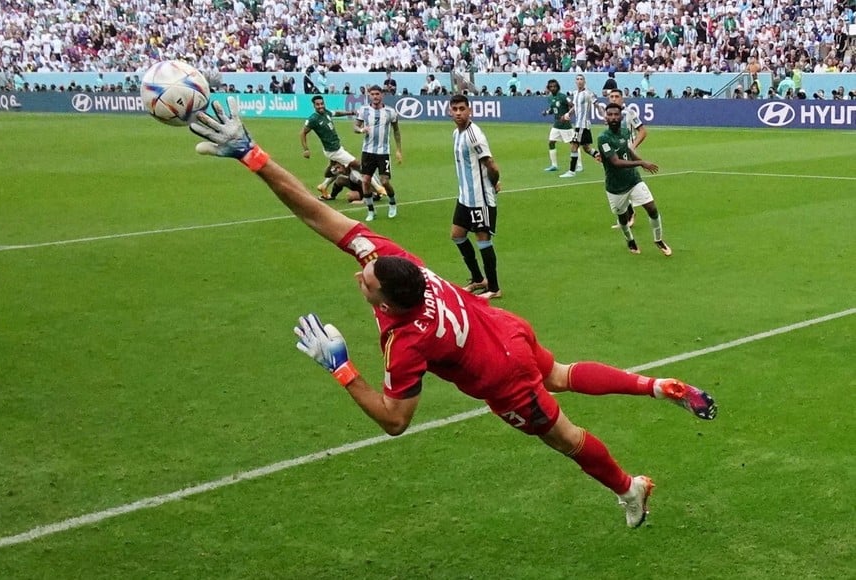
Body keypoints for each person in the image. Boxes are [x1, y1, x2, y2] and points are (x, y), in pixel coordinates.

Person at [188, 97, 718, 529]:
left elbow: (396, 421)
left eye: (366, 281)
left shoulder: (404, 340)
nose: (360, 274)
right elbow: (314, 210)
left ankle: (631, 489)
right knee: (558, 373)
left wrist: (341, 369)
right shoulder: (399, 262)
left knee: (568, 439)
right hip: (506, 331)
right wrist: (252, 157)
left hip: (503, 377)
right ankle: (658, 386)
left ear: (387, 301)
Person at [598, 102, 672, 256]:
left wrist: (640, 161)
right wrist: (641, 162)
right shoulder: (603, 138)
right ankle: (630, 240)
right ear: (605, 117)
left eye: (615, 114)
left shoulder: (625, 132)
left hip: (633, 179)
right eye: (610, 114)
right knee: (623, 218)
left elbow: (627, 152)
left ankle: (658, 240)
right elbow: (616, 162)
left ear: (620, 116)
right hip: (615, 187)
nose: (613, 117)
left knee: (651, 207)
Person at [449, 94, 502, 300]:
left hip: (480, 198)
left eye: (462, 108)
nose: (459, 113)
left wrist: (494, 182)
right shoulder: (456, 134)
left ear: (469, 110)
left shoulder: (474, 135)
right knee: (457, 235)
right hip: (465, 197)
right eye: (455, 109)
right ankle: (479, 278)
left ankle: (494, 287)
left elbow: (491, 164)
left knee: (483, 240)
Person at [354, 85, 403, 221]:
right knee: (365, 180)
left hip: (383, 152)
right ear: (369, 95)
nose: (375, 97)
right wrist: (361, 130)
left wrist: (398, 150)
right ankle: (371, 210)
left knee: (384, 181)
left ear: (382, 95)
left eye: (377, 94)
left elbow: (396, 131)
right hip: (367, 151)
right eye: (372, 94)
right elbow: (355, 127)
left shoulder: (390, 112)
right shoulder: (364, 110)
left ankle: (392, 203)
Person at [300, 95, 362, 197]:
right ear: (314, 106)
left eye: (322, 104)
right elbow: (302, 133)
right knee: (357, 164)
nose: (320, 106)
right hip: (333, 150)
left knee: (338, 168)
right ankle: (377, 189)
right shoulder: (313, 119)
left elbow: (337, 113)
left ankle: (324, 185)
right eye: (317, 105)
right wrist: (306, 149)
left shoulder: (326, 112)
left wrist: (351, 112)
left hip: (335, 147)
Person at [606, 88, 647, 229]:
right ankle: (627, 214)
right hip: (613, 156)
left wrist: (633, 147)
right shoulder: (611, 115)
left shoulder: (629, 113)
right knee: (618, 184)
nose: (614, 99)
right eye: (611, 96)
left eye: (617, 96)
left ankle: (630, 214)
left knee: (627, 184)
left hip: (627, 156)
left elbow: (642, 131)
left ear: (622, 98)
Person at [561, 74, 601, 178]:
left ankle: (571, 171)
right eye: (577, 79)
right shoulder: (575, 93)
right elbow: (575, 107)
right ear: (575, 81)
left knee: (574, 146)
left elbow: (597, 105)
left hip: (582, 125)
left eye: (581, 79)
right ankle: (605, 159)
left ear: (584, 81)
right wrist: (568, 114)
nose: (579, 81)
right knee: (587, 148)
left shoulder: (588, 94)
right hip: (579, 124)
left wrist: (605, 115)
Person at [542, 79, 574, 173]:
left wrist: (567, 115)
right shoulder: (550, 97)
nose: (553, 88)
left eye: (554, 86)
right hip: (556, 124)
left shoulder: (563, 97)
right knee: (551, 142)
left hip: (565, 125)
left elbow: (573, 106)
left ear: (558, 87)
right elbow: (553, 109)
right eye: (551, 86)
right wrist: (546, 112)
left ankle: (578, 165)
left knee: (573, 144)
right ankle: (554, 165)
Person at [318, 161, 385, 203]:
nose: (338, 170)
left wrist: (363, 200)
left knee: (350, 196)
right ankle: (332, 196)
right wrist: (324, 185)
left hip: (372, 190)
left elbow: (366, 183)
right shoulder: (342, 168)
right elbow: (329, 175)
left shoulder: (354, 174)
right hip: (359, 185)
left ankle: (368, 198)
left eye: (339, 167)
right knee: (340, 179)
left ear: (344, 165)